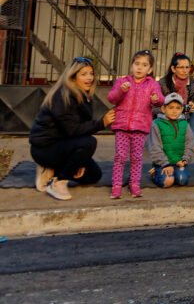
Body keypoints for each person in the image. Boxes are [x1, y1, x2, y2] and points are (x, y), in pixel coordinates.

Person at [28, 56, 115, 201]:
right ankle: (58, 183)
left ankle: (51, 170)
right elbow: (73, 130)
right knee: (89, 142)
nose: (89, 78)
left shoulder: (83, 95)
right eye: (84, 74)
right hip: (44, 149)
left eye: (91, 73)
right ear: (73, 78)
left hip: (64, 144)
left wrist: (80, 160)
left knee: (93, 176)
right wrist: (102, 123)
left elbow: (77, 131)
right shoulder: (63, 96)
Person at [108, 50, 165, 199]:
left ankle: (134, 184)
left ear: (150, 69)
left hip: (140, 127)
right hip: (122, 126)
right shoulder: (122, 81)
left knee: (136, 157)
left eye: (144, 65)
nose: (139, 68)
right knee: (120, 156)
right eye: (137, 64)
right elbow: (112, 98)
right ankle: (116, 185)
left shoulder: (152, 84)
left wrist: (155, 99)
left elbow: (160, 100)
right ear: (132, 65)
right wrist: (121, 91)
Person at [147, 93, 194, 188]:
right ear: (163, 109)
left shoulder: (185, 124)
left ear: (182, 109)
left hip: (179, 162)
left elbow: (190, 144)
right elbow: (154, 147)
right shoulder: (156, 124)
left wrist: (185, 159)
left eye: (178, 108)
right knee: (168, 181)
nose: (174, 111)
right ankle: (155, 173)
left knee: (182, 180)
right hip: (163, 163)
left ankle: (177, 171)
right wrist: (165, 164)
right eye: (171, 108)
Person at [157, 52, 194, 139]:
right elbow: (155, 108)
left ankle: (193, 143)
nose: (185, 71)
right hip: (166, 116)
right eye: (181, 67)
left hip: (185, 115)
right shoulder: (162, 83)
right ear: (173, 68)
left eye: (187, 67)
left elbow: (193, 101)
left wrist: (192, 106)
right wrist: (171, 108)